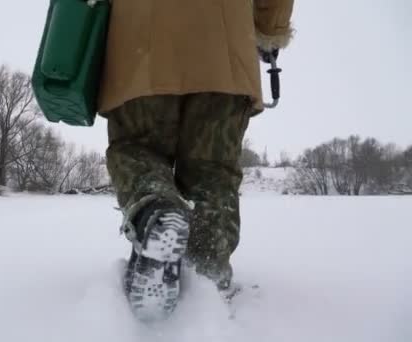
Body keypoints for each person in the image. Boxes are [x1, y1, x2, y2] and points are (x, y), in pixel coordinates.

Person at [97, 0, 295, 320]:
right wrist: (270, 33)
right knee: (213, 171)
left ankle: (156, 211)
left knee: (137, 148)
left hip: (139, 45)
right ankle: (207, 280)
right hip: (226, 50)